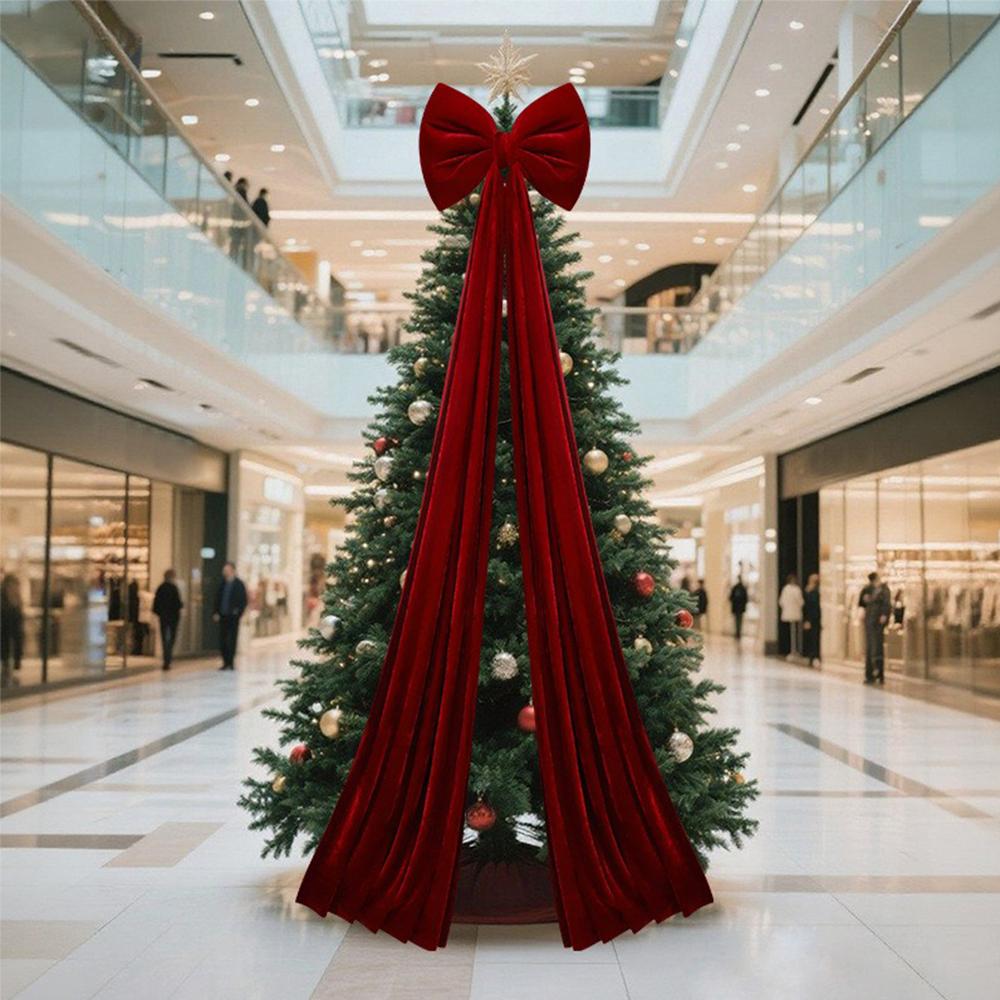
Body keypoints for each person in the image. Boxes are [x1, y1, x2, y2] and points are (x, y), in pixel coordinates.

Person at [214, 562, 248, 671]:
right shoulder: (222, 584)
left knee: (232, 639)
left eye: (227, 570)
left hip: (233, 616)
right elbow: (217, 599)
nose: (224, 572)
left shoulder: (239, 584)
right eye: (224, 570)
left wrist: (239, 612)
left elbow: (243, 600)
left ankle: (231, 662)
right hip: (222, 615)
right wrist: (215, 612)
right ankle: (225, 662)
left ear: (232, 570)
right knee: (222, 639)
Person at [859, 571, 891, 684]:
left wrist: (884, 615)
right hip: (870, 621)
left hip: (877, 623)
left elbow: (887, 604)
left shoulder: (884, 590)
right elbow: (861, 603)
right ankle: (870, 674)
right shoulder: (867, 589)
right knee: (870, 648)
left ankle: (878, 673)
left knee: (877, 647)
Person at [152, 569, 183, 671]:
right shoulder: (174, 588)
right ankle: (168, 658)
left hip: (163, 617)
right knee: (172, 638)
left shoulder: (160, 588)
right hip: (173, 618)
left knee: (164, 638)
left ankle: (166, 659)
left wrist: (160, 613)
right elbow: (178, 603)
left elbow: (155, 604)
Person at [1, 573, 25, 685]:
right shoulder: (3, 600)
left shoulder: (17, 600)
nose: (13, 588)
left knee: (15, 644)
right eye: (11, 585)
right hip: (4, 631)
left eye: (15, 586)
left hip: (14, 631)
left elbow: (19, 619)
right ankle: (6, 672)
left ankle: (10, 671)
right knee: (5, 649)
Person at [779, 573, 804, 658]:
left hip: (787, 612)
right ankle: (794, 650)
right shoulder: (796, 589)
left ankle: (793, 650)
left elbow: (781, 601)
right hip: (795, 612)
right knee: (794, 631)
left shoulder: (785, 589)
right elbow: (800, 601)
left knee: (792, 631)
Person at [802, 573, 821, 667]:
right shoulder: (810, 592)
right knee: (812, 638)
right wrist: (807, 619)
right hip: (812, 618)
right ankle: (812, 656)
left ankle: (813, 656)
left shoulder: (811, 591)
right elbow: (809, 607)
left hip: (814, 618)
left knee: (814, 638)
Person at [728, 576, 748, 640]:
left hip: (736, 607)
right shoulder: (742, 588)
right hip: (740, 608)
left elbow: (730, 598)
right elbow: (746, 599)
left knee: (737, 620)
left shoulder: (735, 588)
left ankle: (737, 632)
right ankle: (738, 632)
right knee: (739, 620)